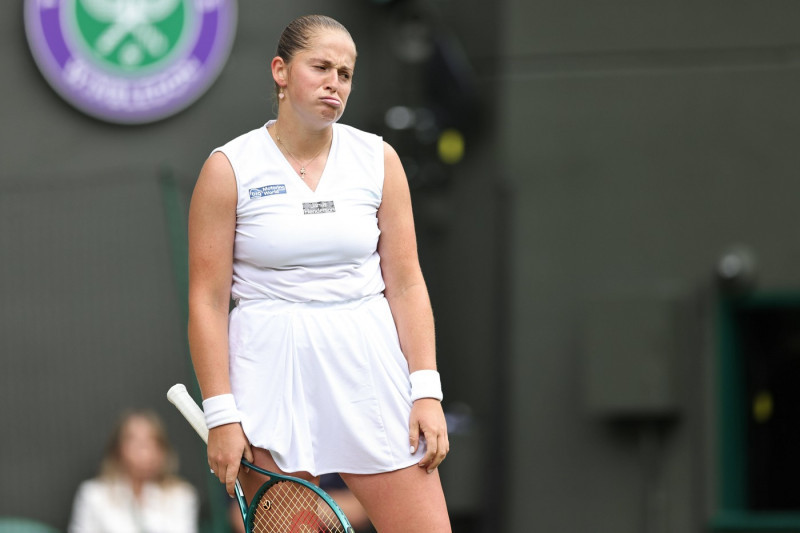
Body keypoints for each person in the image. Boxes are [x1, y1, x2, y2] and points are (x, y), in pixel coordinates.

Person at [187, 13, 451, 533]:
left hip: (368, 365)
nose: (336, 83)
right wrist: (221, 414)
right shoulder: (229, 168)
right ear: (281, 72)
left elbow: (406, 283)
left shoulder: (379, 159)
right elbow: (207, 302)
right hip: (268, 369)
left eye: (346, 74)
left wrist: (426, 389)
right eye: (322, 67)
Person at [68, 410, 199, 533]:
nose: (144, 451)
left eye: (152, 442)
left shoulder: (181, 496)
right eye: (135, 442)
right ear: (118, 449)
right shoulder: (93, 495)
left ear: (163, 451)